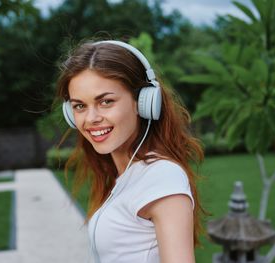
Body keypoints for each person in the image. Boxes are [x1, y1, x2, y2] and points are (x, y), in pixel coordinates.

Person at [56, 39, 204, 263]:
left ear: (143, 102)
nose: (91, 119)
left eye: (105, 101)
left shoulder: (161, 176)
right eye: (79, 106)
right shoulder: (126, 176)